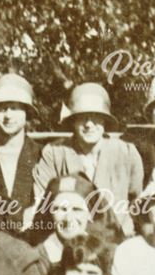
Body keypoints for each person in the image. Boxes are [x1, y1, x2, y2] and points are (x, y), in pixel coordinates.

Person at [33, 82, 143, 236]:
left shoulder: (125, 152)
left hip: (117, 238)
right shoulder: (55, 153)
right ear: (73, 122)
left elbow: (138, 203)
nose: (89, 124)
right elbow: (41, 201)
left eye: (96, 117)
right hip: (69, 239)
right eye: (82, 118)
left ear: (105, 121)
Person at [0, 73, 44, 236]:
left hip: (31, 243)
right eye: (2, 108)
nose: (8, 116)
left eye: (15, 108)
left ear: (27, 112)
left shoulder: (42, 154)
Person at [29, 173, 117, 275]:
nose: (68, 218)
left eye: (77, 209)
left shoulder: (104, 253)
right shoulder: (35, 258)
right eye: (59, 209)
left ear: (90, 215)